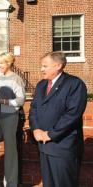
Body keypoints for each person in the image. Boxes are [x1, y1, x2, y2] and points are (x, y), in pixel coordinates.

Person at [29, 52, 87, 187]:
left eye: (45, 66)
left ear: (58, 66)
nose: (41, 69)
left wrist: (50, 134)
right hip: (44, 147)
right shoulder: (41, 85)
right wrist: (36, 129)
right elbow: (34, 109)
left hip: (63, 147)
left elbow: (72, 114)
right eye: (41, 66)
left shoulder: (74, 84)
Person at [0, 52, 26, 187]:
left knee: (10, 150)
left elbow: (21, 100)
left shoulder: (16, 79)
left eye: (1, 63)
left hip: (10, 117)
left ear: (9, 63)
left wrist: (5, 101)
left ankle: (11, 183)